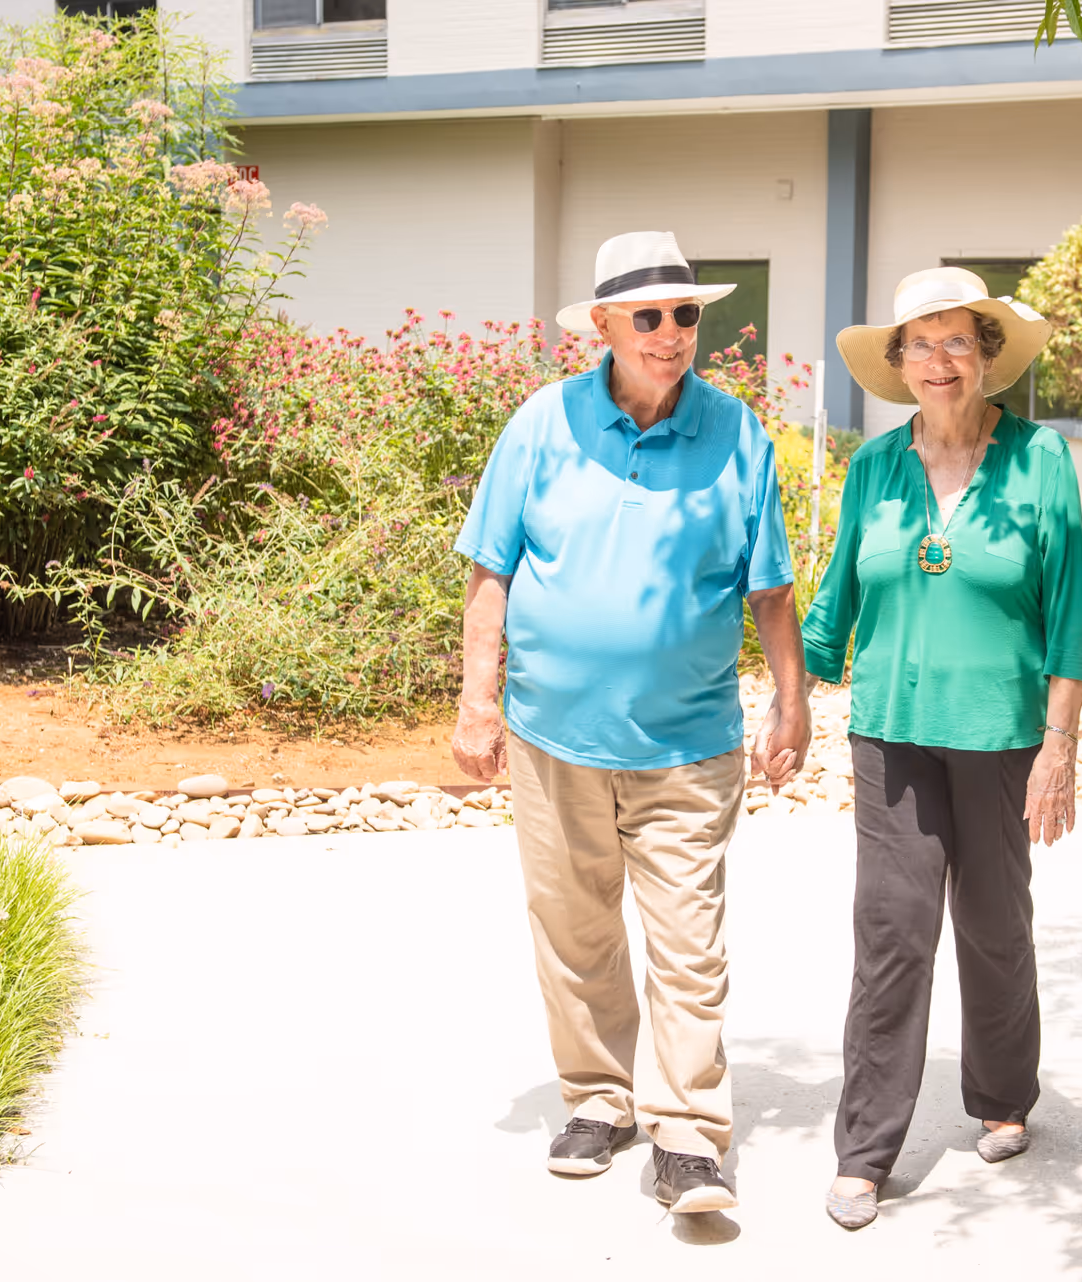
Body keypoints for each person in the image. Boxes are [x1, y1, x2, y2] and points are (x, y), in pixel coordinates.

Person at [451, 230, 811, 1215]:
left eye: (685, 314)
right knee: (573, 930)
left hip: (689, 745)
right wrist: (477, 700)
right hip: (550, 735)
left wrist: (793, 701)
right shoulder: (541, 424)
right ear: (603, 326)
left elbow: (770, 591)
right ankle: (597, 1098)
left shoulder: (738, 436)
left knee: (689, 943)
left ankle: (689, 1134)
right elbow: (492, 571)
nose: (669, 333)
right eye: (647, 316)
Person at [802, 267, 1082, 1230]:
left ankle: (1004, 1095)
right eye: (918, 344)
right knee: (891, 935)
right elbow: (834, 602)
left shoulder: (1040, 461)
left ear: (986, 354)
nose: (938, 361)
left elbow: (1069, 611)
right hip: (891, 733)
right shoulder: (873, 471)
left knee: (994, 925)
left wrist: (1061, 744)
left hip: (1002, 734)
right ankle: (866, 1150)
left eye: (956, 341)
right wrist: (783, 695)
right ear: (898, 364)